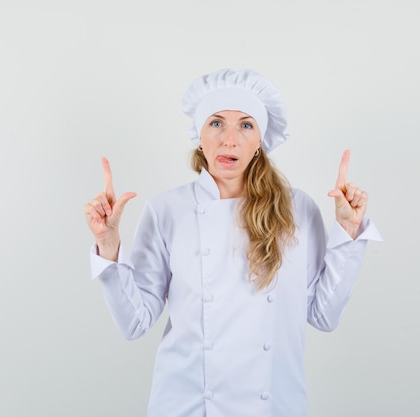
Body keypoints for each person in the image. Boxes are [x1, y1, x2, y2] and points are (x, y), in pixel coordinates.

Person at [84, 68, 382, 417]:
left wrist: (348, 230)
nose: (230, 139)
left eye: (245, 125)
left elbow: (324, 315)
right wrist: (108, 245)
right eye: (216, 123)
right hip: (187, 405)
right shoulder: (167, 210)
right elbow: (134, 322)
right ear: (199, 134)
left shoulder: (297, 208)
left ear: (260, 140)